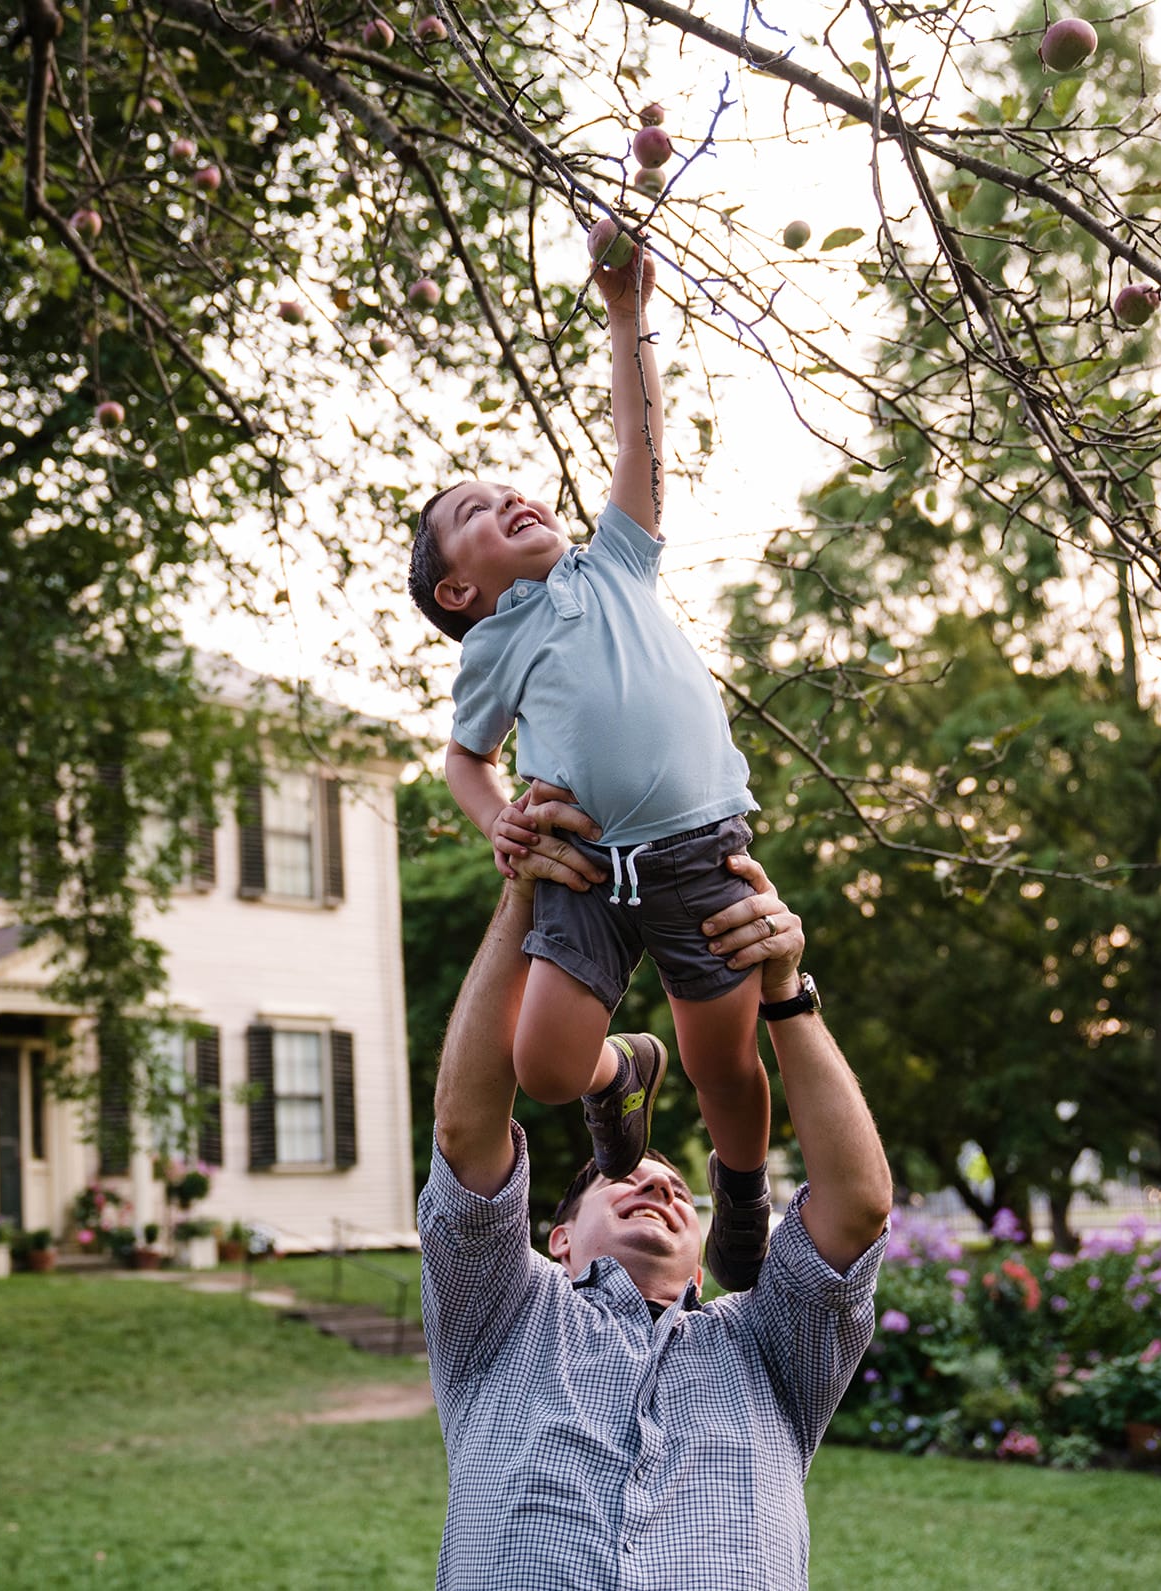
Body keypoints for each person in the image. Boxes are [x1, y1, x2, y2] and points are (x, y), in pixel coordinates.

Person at [407, 231, 774, 1286]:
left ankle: (743, 1190)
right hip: (588, 869)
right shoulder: (491, 645)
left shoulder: (613, 560)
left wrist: (627, 317)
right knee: (545, 1063)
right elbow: (464, 760)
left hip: (701, 853)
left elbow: (637, 446)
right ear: (458, 592)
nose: (506, 498)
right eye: (473, 513)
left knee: (725, 1063)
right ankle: (622, 1076)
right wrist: (500, 825)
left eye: (505, 486)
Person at [420, 790, 891, 1589]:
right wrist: (523, 893)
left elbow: (859, 1205)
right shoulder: (505, 1312)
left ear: (704, 1262)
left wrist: (785, 991)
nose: (658, 1184)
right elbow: (467, 1133)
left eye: (680, 1187)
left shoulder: (765, 1347)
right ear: (556, 1239)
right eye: (626, 1176)